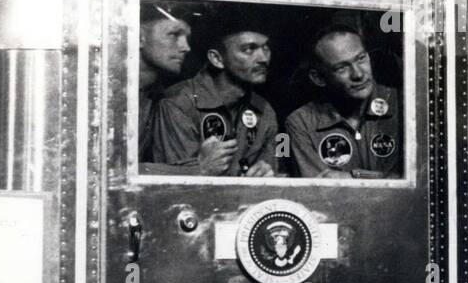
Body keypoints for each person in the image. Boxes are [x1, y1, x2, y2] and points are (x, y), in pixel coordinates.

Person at [152, 9, 278, 177]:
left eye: (266, 48)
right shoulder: (179, 102)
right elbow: (172, 185)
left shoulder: (264, 110)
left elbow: (274, 165)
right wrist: (200, 169)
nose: (263, 58)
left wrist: (266, 173)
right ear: (217, 59)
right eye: (249, 49)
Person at [285, 26, 402, 179]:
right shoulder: (302, 123)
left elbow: (418, 181)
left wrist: (353, 176)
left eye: (361, 58)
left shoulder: (402, 104)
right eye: (342, 68)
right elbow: (320, 191)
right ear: (318, 78)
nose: (358, 74)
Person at [138, 2, 191, 168]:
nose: (186, 47)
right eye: (174, 35)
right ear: (139, 37)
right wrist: (199, 170)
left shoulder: (160, 96)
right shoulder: (111, 94)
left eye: (186, 38)